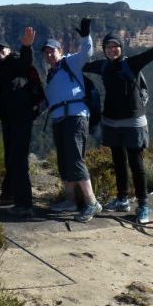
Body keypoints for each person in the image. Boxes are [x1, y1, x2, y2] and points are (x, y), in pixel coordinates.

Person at [83, 33, 153, 224]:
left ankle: (143, 205)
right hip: (111, 121)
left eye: (115, 46)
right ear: (104, 50)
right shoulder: (103, 66)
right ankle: (122, 199)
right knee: (118, 161)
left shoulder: (132, 63)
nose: (112, 50)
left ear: (121, 48)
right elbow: (81, 64)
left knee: (137, 164)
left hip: (133, 121)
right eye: (108, 47)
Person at [43, 18, 102, 223]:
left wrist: (86, 36)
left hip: (75, 117)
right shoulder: (51, 73)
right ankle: (70, 200)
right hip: (59, 118)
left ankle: (91, 202)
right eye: (46, 52)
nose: (49, 54)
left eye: (52, 50)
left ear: (60, 51)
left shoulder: (70, 62)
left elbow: (87, 52)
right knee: (64, 160)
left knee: (76, 159)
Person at [0, 27, 38, 217]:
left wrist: (27, 46)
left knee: (18, 159)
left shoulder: (15, 62)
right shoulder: (1, 70)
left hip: (21, 118)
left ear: (9, 50)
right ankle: (9, 195)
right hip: (9, 120)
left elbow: (26, 61)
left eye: (1, 50)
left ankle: (25, 203)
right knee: (11, 158)